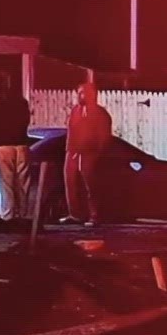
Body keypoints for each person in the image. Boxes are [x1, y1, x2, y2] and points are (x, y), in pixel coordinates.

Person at [64, 81, 113, 226]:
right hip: (73, 152)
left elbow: (104, 135)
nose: (80, 96)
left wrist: (98, 152)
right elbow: (71, 131)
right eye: (79, 93)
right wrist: (70, 149)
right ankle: (74, 214)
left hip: (90, 153)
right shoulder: (75, 111)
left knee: (91, 185)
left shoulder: (100, 113)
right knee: (71, 183)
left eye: (83, 92)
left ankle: (94, 215)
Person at [0, 94, 34, 219]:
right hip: (21, 146)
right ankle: (23, 216)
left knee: (6, 184)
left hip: (3, 146)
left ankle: (8, 216)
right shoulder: (23, 107)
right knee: (23, 185)